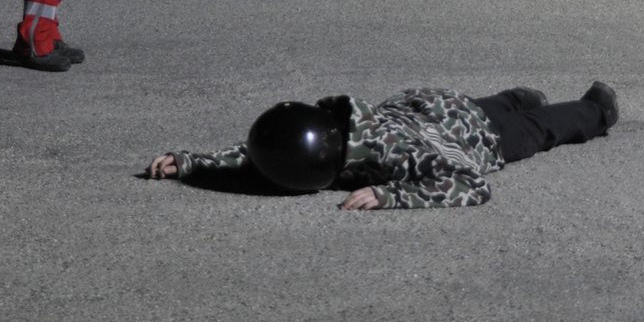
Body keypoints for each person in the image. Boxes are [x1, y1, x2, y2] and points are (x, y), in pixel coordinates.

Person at [145, 81, 619, 209]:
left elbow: (472, 185)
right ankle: (518, 96)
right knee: (492, 104)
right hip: (435, 107)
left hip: (470, 136)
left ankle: (596, 110)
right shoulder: (335, 125)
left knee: (538, 127)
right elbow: (263, 151)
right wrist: (193, 163)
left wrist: (392, 195)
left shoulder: (398, 158)